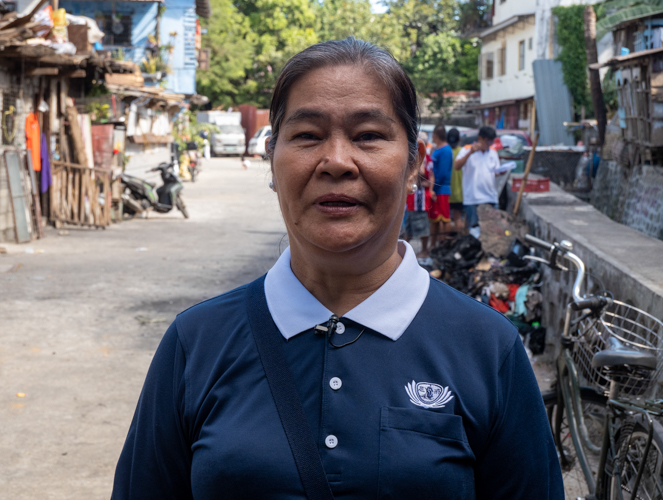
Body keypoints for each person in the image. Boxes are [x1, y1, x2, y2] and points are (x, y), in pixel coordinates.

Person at [111, 39, 563, 499]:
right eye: (307, 135)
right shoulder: (197, 342)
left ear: (414, 165)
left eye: (368, 135)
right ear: (271, 159)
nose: (337, 162)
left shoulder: (486, 349)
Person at [454, 126, 507, 239]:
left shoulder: (493, 152)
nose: (489, 144)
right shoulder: (466, 149)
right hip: (473, 198)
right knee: (474, 231)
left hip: (490, 197)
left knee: (492, 230)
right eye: (487, 141)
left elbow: (493, 171)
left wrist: (500, 172)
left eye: (491, 141)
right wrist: (470, 153)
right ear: (480, 138)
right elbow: (457, 166)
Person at [404, 136, 432, 258]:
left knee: (422, 226)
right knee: (409, 227)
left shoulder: (424, 158)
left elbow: (422, 174)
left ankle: (424, 250)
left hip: (419, 200)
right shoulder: (415, 158)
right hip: (412, 199)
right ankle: (402, 251)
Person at [427, 125, 452, 246]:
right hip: (435, 189)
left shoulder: (446, 150)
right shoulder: (437, 150)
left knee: (444, 219)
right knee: (434, 219)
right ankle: (433, 245)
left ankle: (443, 245)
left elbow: (441, 173)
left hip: (441, 189)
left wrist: (434, 189)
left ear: (435, 136)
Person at [447, 127, 465, 233]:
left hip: (448, 191)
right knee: (459, 217)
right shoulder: (463, 152)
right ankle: (460, 239)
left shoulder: (446, 151)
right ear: (459, 139)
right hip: (462, 191)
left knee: (447, 218)